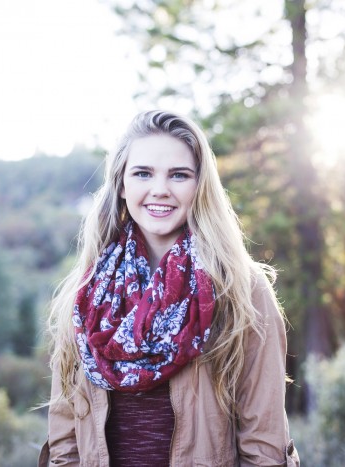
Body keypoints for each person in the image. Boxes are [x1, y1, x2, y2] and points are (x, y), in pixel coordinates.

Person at [40, 110, 300, 466]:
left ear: (200, 186)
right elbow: (65, 443)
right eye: (143, 173)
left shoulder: (241, 290)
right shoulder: (86, 296)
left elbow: (264, 447)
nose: (159, 189)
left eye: (179, 175)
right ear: (121, 185)